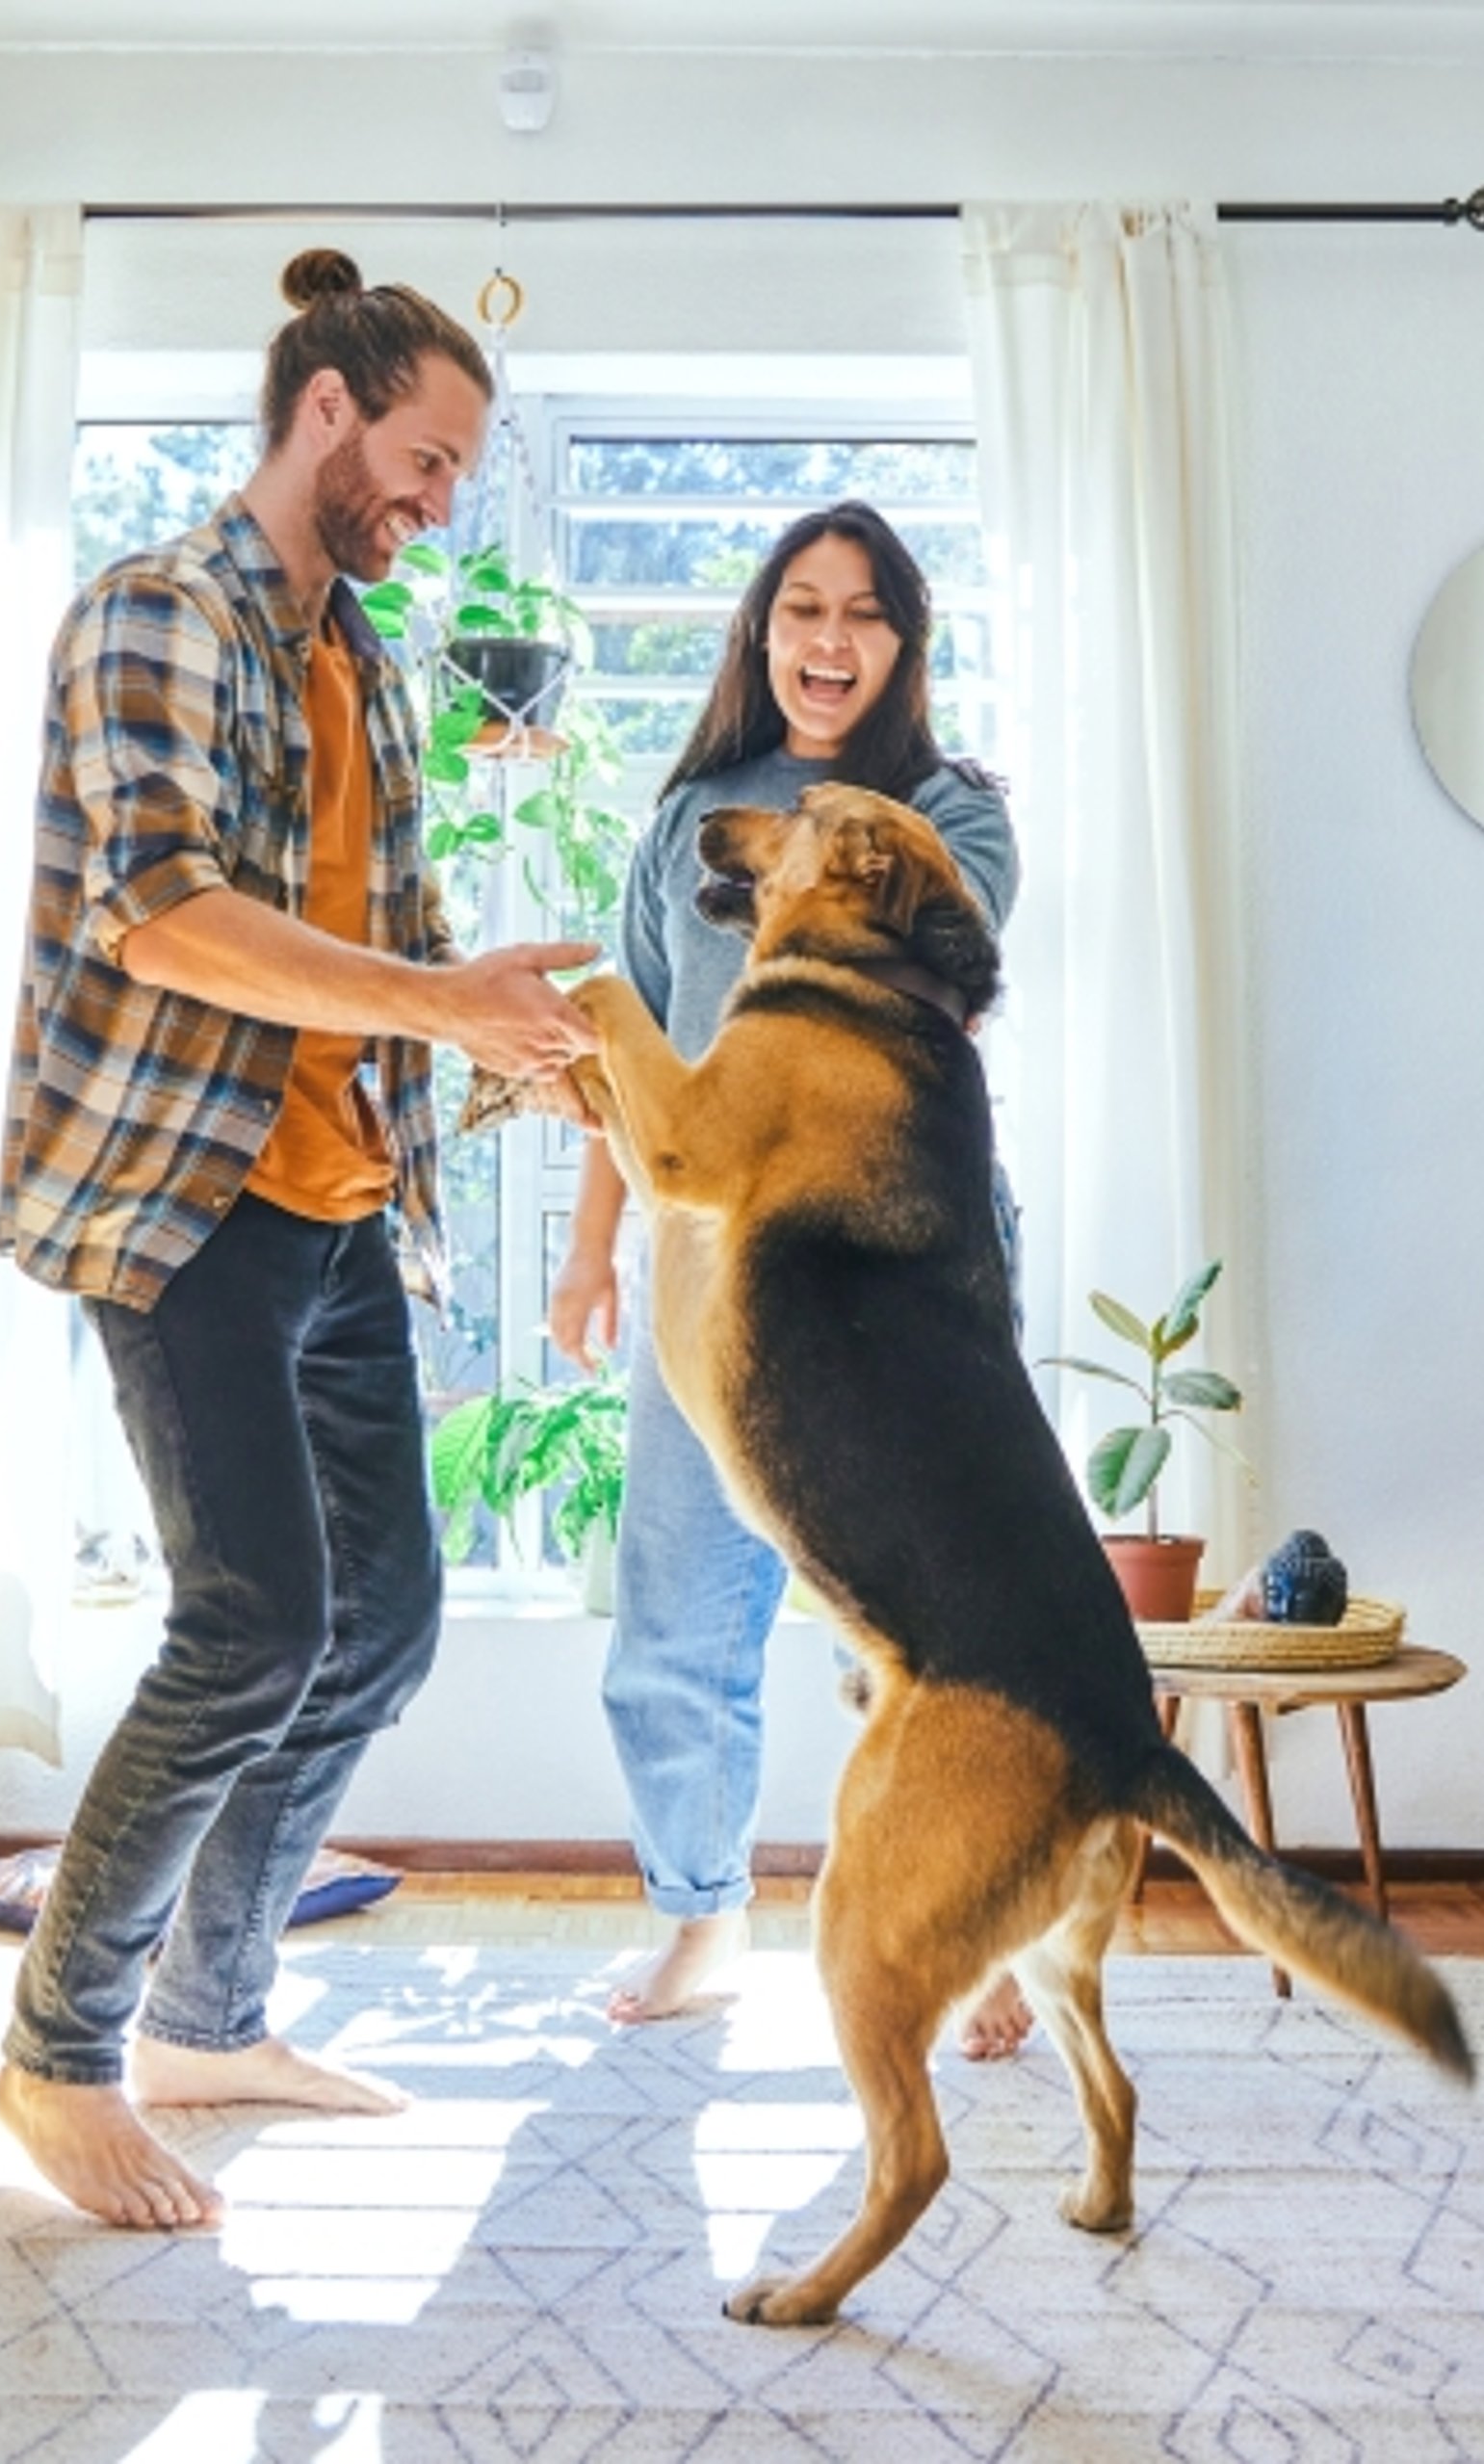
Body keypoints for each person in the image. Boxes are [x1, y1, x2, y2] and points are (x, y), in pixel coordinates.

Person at [0, 249, 600, 2233]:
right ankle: (58, 2050)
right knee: (248, 1614)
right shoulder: (156, 613)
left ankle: (210, 2010)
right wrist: (440, 1005)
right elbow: (164, 914)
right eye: (424, 459)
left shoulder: (369, 663)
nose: (438, 504)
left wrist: (530, 1044)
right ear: (325, 410)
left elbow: (394, 956)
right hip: (181, 1201)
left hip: (337, 1208)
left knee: (387, 1618)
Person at [547, 502, 1035, 2054]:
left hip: (893, 1272)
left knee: (913, 1619)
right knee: (677, 1611)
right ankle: (703, 1911)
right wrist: (585, 1250)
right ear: (763, 632)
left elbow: (917, 992)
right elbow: (625, 1045)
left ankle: (965, 1920)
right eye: (802, 609)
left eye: (864, 614)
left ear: (904, 643)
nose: (829, 642)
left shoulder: (951, 817)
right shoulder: (695, 806)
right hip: (710, 1273)